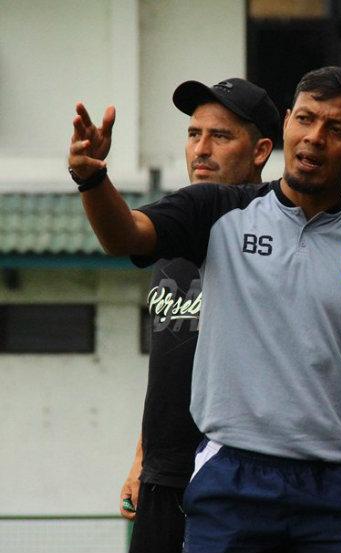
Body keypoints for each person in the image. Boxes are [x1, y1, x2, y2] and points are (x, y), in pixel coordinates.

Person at [68, 66, 341, 553]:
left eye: (336, 129)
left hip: (337, 485)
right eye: (305, 119)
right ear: (285, 126)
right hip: (231, 473)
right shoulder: (214, 210)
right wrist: (91, 179)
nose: (314, 138)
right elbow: (124, 235)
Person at [112, 78, 280, 553]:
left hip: (239, 476)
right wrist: (143, 458)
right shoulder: (171, 236)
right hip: (164, 476)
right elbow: (169, 364)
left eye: (220, 136)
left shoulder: (272, 234)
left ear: (261, 150)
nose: (200, 149)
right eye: (193, 134)